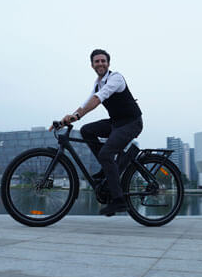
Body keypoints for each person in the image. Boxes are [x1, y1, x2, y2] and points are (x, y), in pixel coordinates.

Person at [56, 49, 143, 216]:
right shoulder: (97, 83)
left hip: (131, 123)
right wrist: (65, 120)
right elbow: (87, 102)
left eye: (103, 61)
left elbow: (97, 99)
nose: (100, 63)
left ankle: (118, 201)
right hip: (116, 123)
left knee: (105, 153)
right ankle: (107, 168)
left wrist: (77, 115)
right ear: (92, 65)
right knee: (86, 130)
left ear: (108, 63)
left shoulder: (115, 78)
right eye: (97, 61)